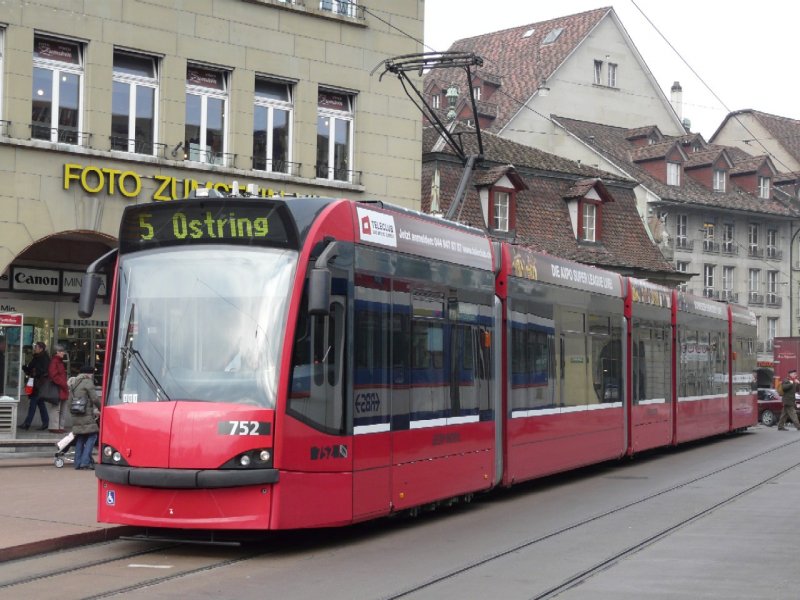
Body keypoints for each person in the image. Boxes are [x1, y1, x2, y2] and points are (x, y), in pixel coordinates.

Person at [70, 364, 99, 470]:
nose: (92, 376)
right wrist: (101, 408)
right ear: (88, 374)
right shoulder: (87, 382)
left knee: (81, 437)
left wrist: (72, 413)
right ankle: (85, 461)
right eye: (92, 374)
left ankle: (77, 463)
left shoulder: (73, 382)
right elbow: (95, 398)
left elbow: (70, 401)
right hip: (86, 414)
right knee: (93, 435)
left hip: (76, 413)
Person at [19, 341, 50, 430]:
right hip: (35, 384)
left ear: (41, 349)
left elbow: (43, 371)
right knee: (40, 404)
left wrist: (34, 371)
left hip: (38, 385)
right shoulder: (36, 357)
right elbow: (30, 369)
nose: (34, 349)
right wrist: (26, 368)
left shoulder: (44, 358)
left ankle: (27, 423)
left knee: (33, 404)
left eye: (36, 347)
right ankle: (45, 422)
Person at [46, 343, 69, 433]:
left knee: (61, 409)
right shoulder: (55, 362)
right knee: (57, 409)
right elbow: (53, 375)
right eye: (62, 352)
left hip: (61, 387)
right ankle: (55, 427)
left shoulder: (58, 361)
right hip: (59, 388)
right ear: (57, 352)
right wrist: (63, 384)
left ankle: (59, 427)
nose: (63, 353)